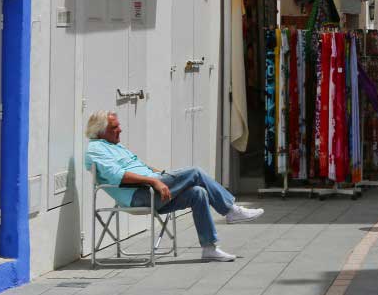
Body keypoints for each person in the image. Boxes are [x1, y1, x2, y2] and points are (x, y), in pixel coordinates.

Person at [83, 110, 263, 262]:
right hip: (140, 196)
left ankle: (209, 248)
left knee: (198, 193)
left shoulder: (114, 145)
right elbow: (118, 176)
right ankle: (231, 211)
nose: (120, 129)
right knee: (196, 172)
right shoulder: (96, 149)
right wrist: (154, 181)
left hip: (152, 189)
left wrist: (161, 175)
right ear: (100, 132)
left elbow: (140, 167)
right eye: (114, 127)